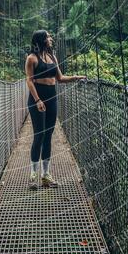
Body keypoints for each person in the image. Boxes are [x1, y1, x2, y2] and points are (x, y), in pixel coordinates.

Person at [25, 29, 86, 190]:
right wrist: (37, 100)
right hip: (37, 99)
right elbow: (29, 81)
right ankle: (32, 176)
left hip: (52, 99)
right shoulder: (31, 58)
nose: (50, 39)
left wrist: (75, 77)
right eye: (48, 37)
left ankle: (45, 176)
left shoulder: (52, 57)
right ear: (41, 40)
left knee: (48, 135)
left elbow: (60, 78)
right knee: (39, 135)